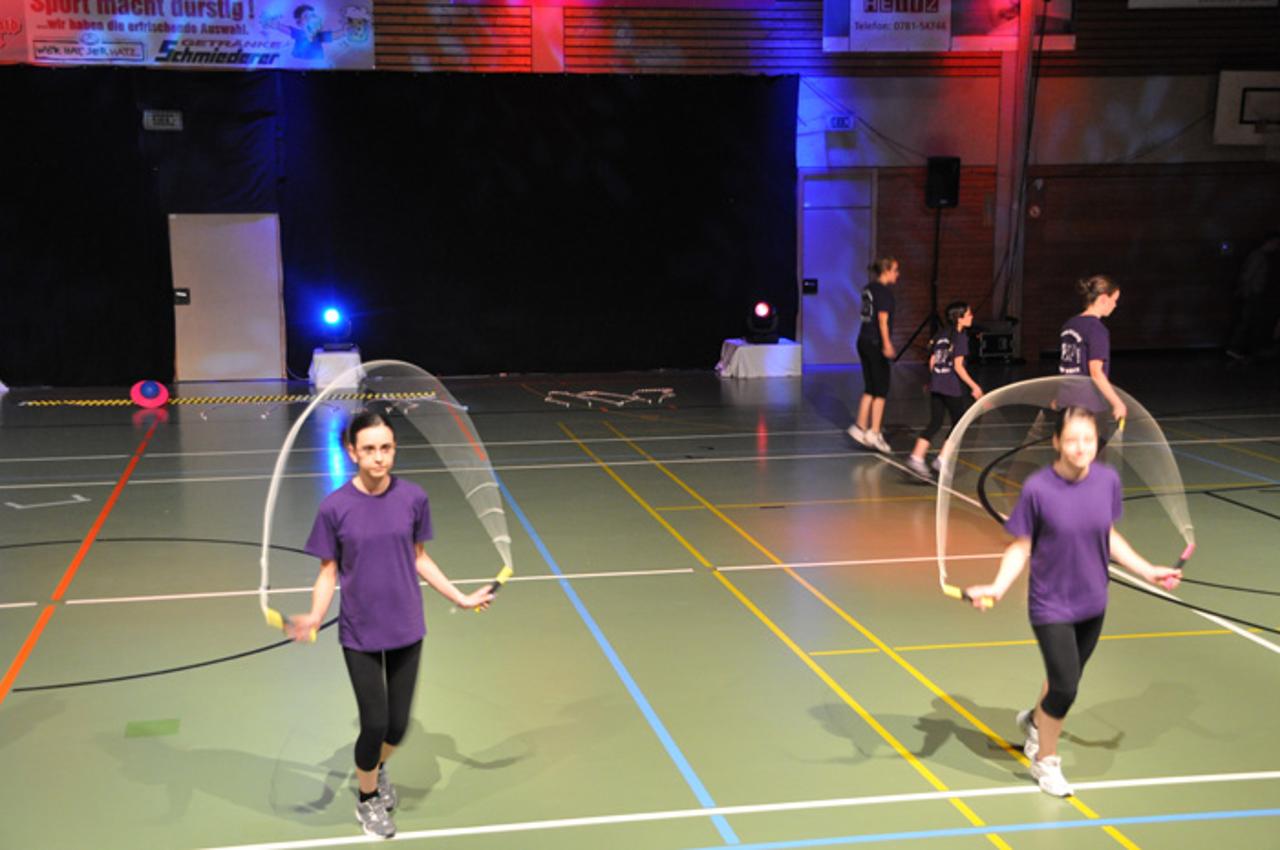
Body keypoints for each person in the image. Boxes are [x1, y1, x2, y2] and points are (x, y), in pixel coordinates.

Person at [289, 409, 495, 838]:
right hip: (360, 631)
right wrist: (315, 615)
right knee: (375, 723)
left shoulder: (413, 498)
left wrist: (460, 597)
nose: (379, 457)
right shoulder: (335, 507)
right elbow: (328, 572)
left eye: (386, 448)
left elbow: (419, 558)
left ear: (394, 449)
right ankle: (367, 799)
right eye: (369, 449)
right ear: (352, 452)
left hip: (406, 625)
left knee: (397, 728)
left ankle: (375, 767)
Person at [963, 407, 1182, 797]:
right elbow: (1021, 547)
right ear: (1056, 442)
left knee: (1064, 677)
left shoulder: (1107, 481)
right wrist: (997, 587)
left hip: (1093, 602)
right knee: (1065, 688)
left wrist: (1148, 570)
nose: (1082, 448)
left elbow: (1108, 535)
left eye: (1089, 439)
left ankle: (1034, 722)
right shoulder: (1038, 489)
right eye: (1072, 440)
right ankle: (1045, 762)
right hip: (1051, 605)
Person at [907, 302, 983, 478]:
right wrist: (974, 386)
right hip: (951, 386)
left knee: (935, 422)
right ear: (959, 318)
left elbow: (932, 361)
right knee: (959, 424)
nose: (972, 316)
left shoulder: (940, 334)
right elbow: (958, 366)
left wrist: (934, 379)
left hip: (937, 384)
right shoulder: (960, 337)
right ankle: (941, 460)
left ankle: (916, 457)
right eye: (969, 314)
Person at [848, 256, 900, 453]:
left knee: (870, 386)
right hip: (875, 342)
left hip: (863, 340)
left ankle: (860, 426)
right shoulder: (884, 292)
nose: (897, 274)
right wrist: (887, 344)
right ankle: (874, 432)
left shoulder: (868, 288)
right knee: (881, 390)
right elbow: (882, 320)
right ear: (886, 271)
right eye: (895, 270)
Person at [1059, 274, 1126, 424]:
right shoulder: (1097, 329)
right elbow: (1096, 372)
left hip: (1066, 402)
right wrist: (1117, 403)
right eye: (1114, 300)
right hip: (1088, 405)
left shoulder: (1069, 324)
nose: (1115, 305)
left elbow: (1067, 365)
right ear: (1103, 299)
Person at [1226, 230, 1280, 361]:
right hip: (1253, 294)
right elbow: (1247, 276)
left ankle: (1240, 349)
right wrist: (1246, 291)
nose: (1277, 246)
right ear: (1270, 242)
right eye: (1276, 243)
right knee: (1247, 321)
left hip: (1253, 293)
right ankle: (1236, 348)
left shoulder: (1260, 255)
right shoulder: (1259, 256)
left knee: (1250, 321)